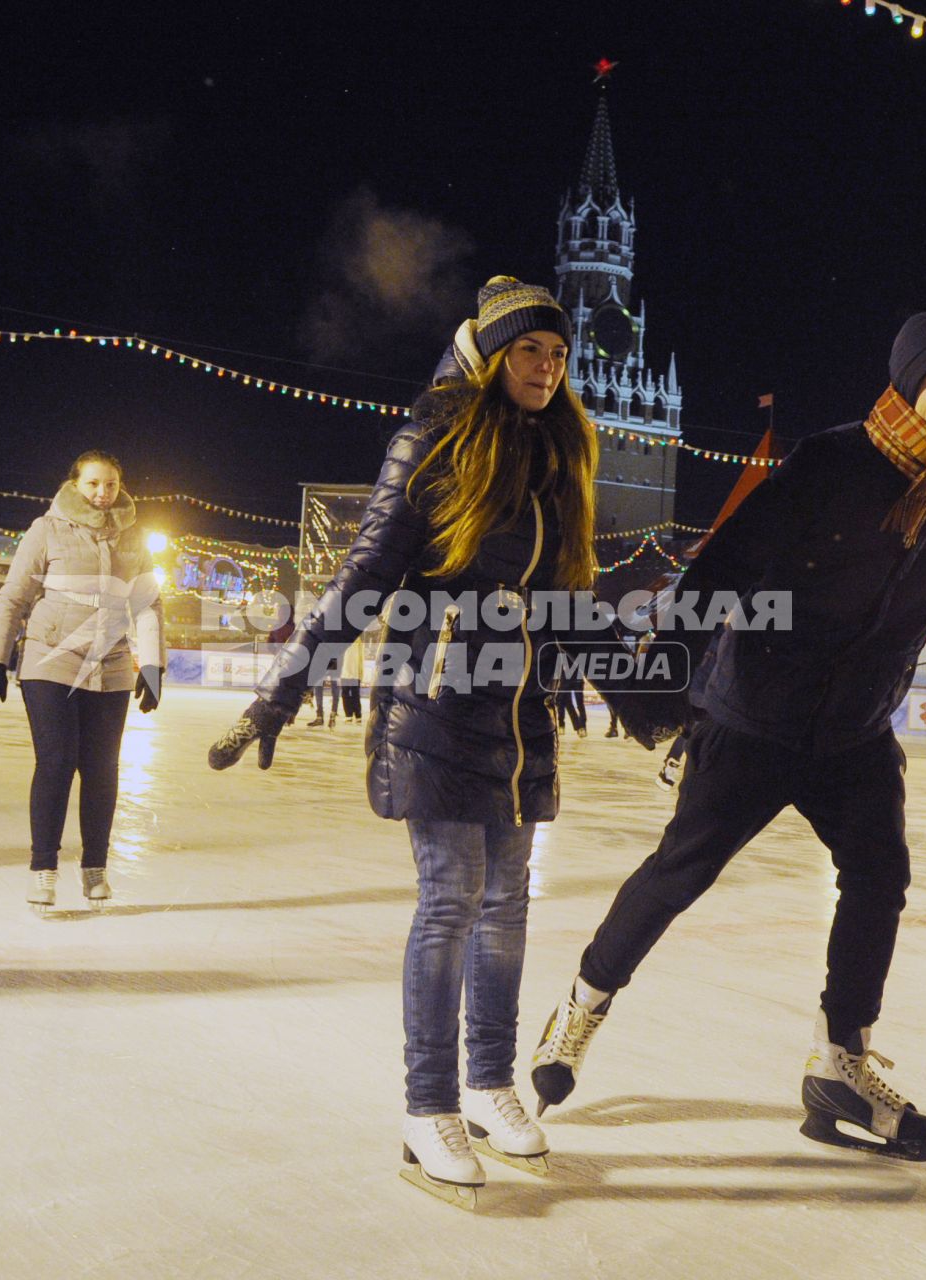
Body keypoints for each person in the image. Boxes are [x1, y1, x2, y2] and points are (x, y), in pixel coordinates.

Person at [529, 316, 926, 1163]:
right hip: (755, 714)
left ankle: (839, 1066)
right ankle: (581, 1007)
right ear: (906, 385)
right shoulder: (830, 463)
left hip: (853, 728)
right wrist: (669, 688)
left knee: (879, 877)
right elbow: (724, 566)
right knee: (679, 873)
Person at [207, 278, 608, 1207]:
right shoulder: (435, 434)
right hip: (434, 703)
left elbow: (570, 603)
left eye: (557, 355)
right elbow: (366, 569)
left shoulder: (558, 453)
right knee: (451, 901)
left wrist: (658, 705)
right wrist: (284, 691)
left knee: (507, 904)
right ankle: (427, 1106)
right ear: (489, 354)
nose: (546, 369)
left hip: (521, 715)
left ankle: (486, 1083)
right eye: (528, 353)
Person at [0, 449, 164, 912]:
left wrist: (154, 665)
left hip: (112, 663)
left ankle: (95, 867)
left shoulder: (134, 537)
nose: (103, 494)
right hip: (50, 659)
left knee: (102, 770)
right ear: (75, 485)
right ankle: (43, 869)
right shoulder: (47, 529)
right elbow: (14, 595)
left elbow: (148, 605)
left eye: (111, 485)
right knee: (57, 761)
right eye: (94, 484)